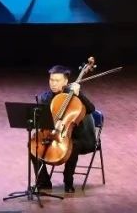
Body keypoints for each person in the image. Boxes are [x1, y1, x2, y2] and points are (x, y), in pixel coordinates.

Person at [33, 64, 97, 193]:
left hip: (79, 137)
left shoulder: (74, 95)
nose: (53, 83)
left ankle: (68, 181)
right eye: (51, 80)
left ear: (66, 81)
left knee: (73, 145)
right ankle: (43, 181)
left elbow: (91, 109)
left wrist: (79, 94)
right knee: (33, 146)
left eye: (57, 80)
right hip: (55, 134)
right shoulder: (45, 97)